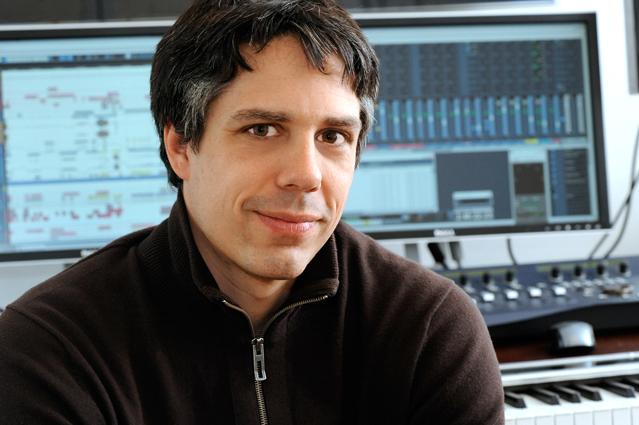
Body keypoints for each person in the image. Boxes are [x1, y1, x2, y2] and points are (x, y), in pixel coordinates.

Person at [0, 0, 504, 423]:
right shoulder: (49, 350)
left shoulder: (428, 327)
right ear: (180, 146)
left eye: (333, 136)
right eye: (262, 130)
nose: (306, 175)